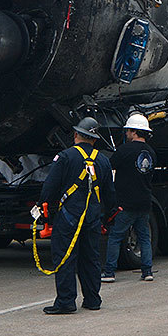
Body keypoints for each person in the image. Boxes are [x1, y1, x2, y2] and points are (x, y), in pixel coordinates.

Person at [39, 117, 115, 314]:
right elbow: (110, 194)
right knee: (91, 258)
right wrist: (107, 217)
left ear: (75, 135)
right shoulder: (103, 160)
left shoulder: (65, 157)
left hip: (69, 216)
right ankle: (92, 299)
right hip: (92, 217)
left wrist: (43, 208)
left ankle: (66, 301)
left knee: (64, 257)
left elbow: (50, 187)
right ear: (94, 139)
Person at [102, 113, 157, 282]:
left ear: (134, 132)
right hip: (144, 201)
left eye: (128, 131)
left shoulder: (124, 150)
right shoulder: (151, 153)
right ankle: (147, 272)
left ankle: (110, 272)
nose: (126, 134)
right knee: (144, 237)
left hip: (125, 203)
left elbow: (108, 167)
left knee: (115, 237)